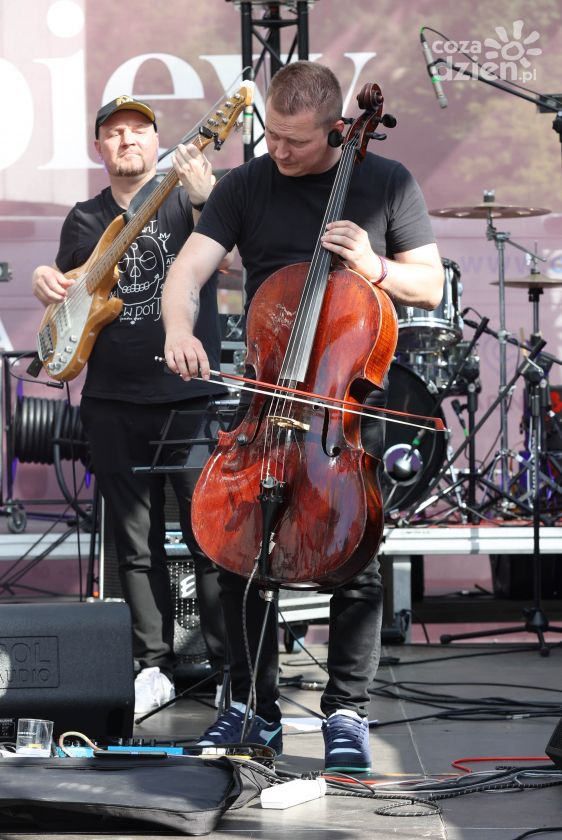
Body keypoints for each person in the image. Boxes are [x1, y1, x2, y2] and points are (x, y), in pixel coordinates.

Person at [162, 61, 444, 772]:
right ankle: (250, 706)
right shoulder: (246, 184)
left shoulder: (388, 183)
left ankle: (346, 710)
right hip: (269, 394)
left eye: (295, 140)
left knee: (355, 555)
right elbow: (188, 271)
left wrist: (375, 266)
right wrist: (178, 329)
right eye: (273, 136)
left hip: (340, 405)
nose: (279, 152)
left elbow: (431, 285)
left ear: (338, 129)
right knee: (235, 553)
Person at [31, 95, 228, 716]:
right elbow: (69, 301)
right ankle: (152, 665)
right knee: (135, 545)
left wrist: (206, 199)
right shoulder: (85, 218)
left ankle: (230, 666)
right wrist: (45, 282)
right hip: (112, 398)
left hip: (189, 394)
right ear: (99, 147)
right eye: (114, 132)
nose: (127, 140)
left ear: (157, 140)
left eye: (139, 130)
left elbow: (235, 260)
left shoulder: (186, 196)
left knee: (210, 539)